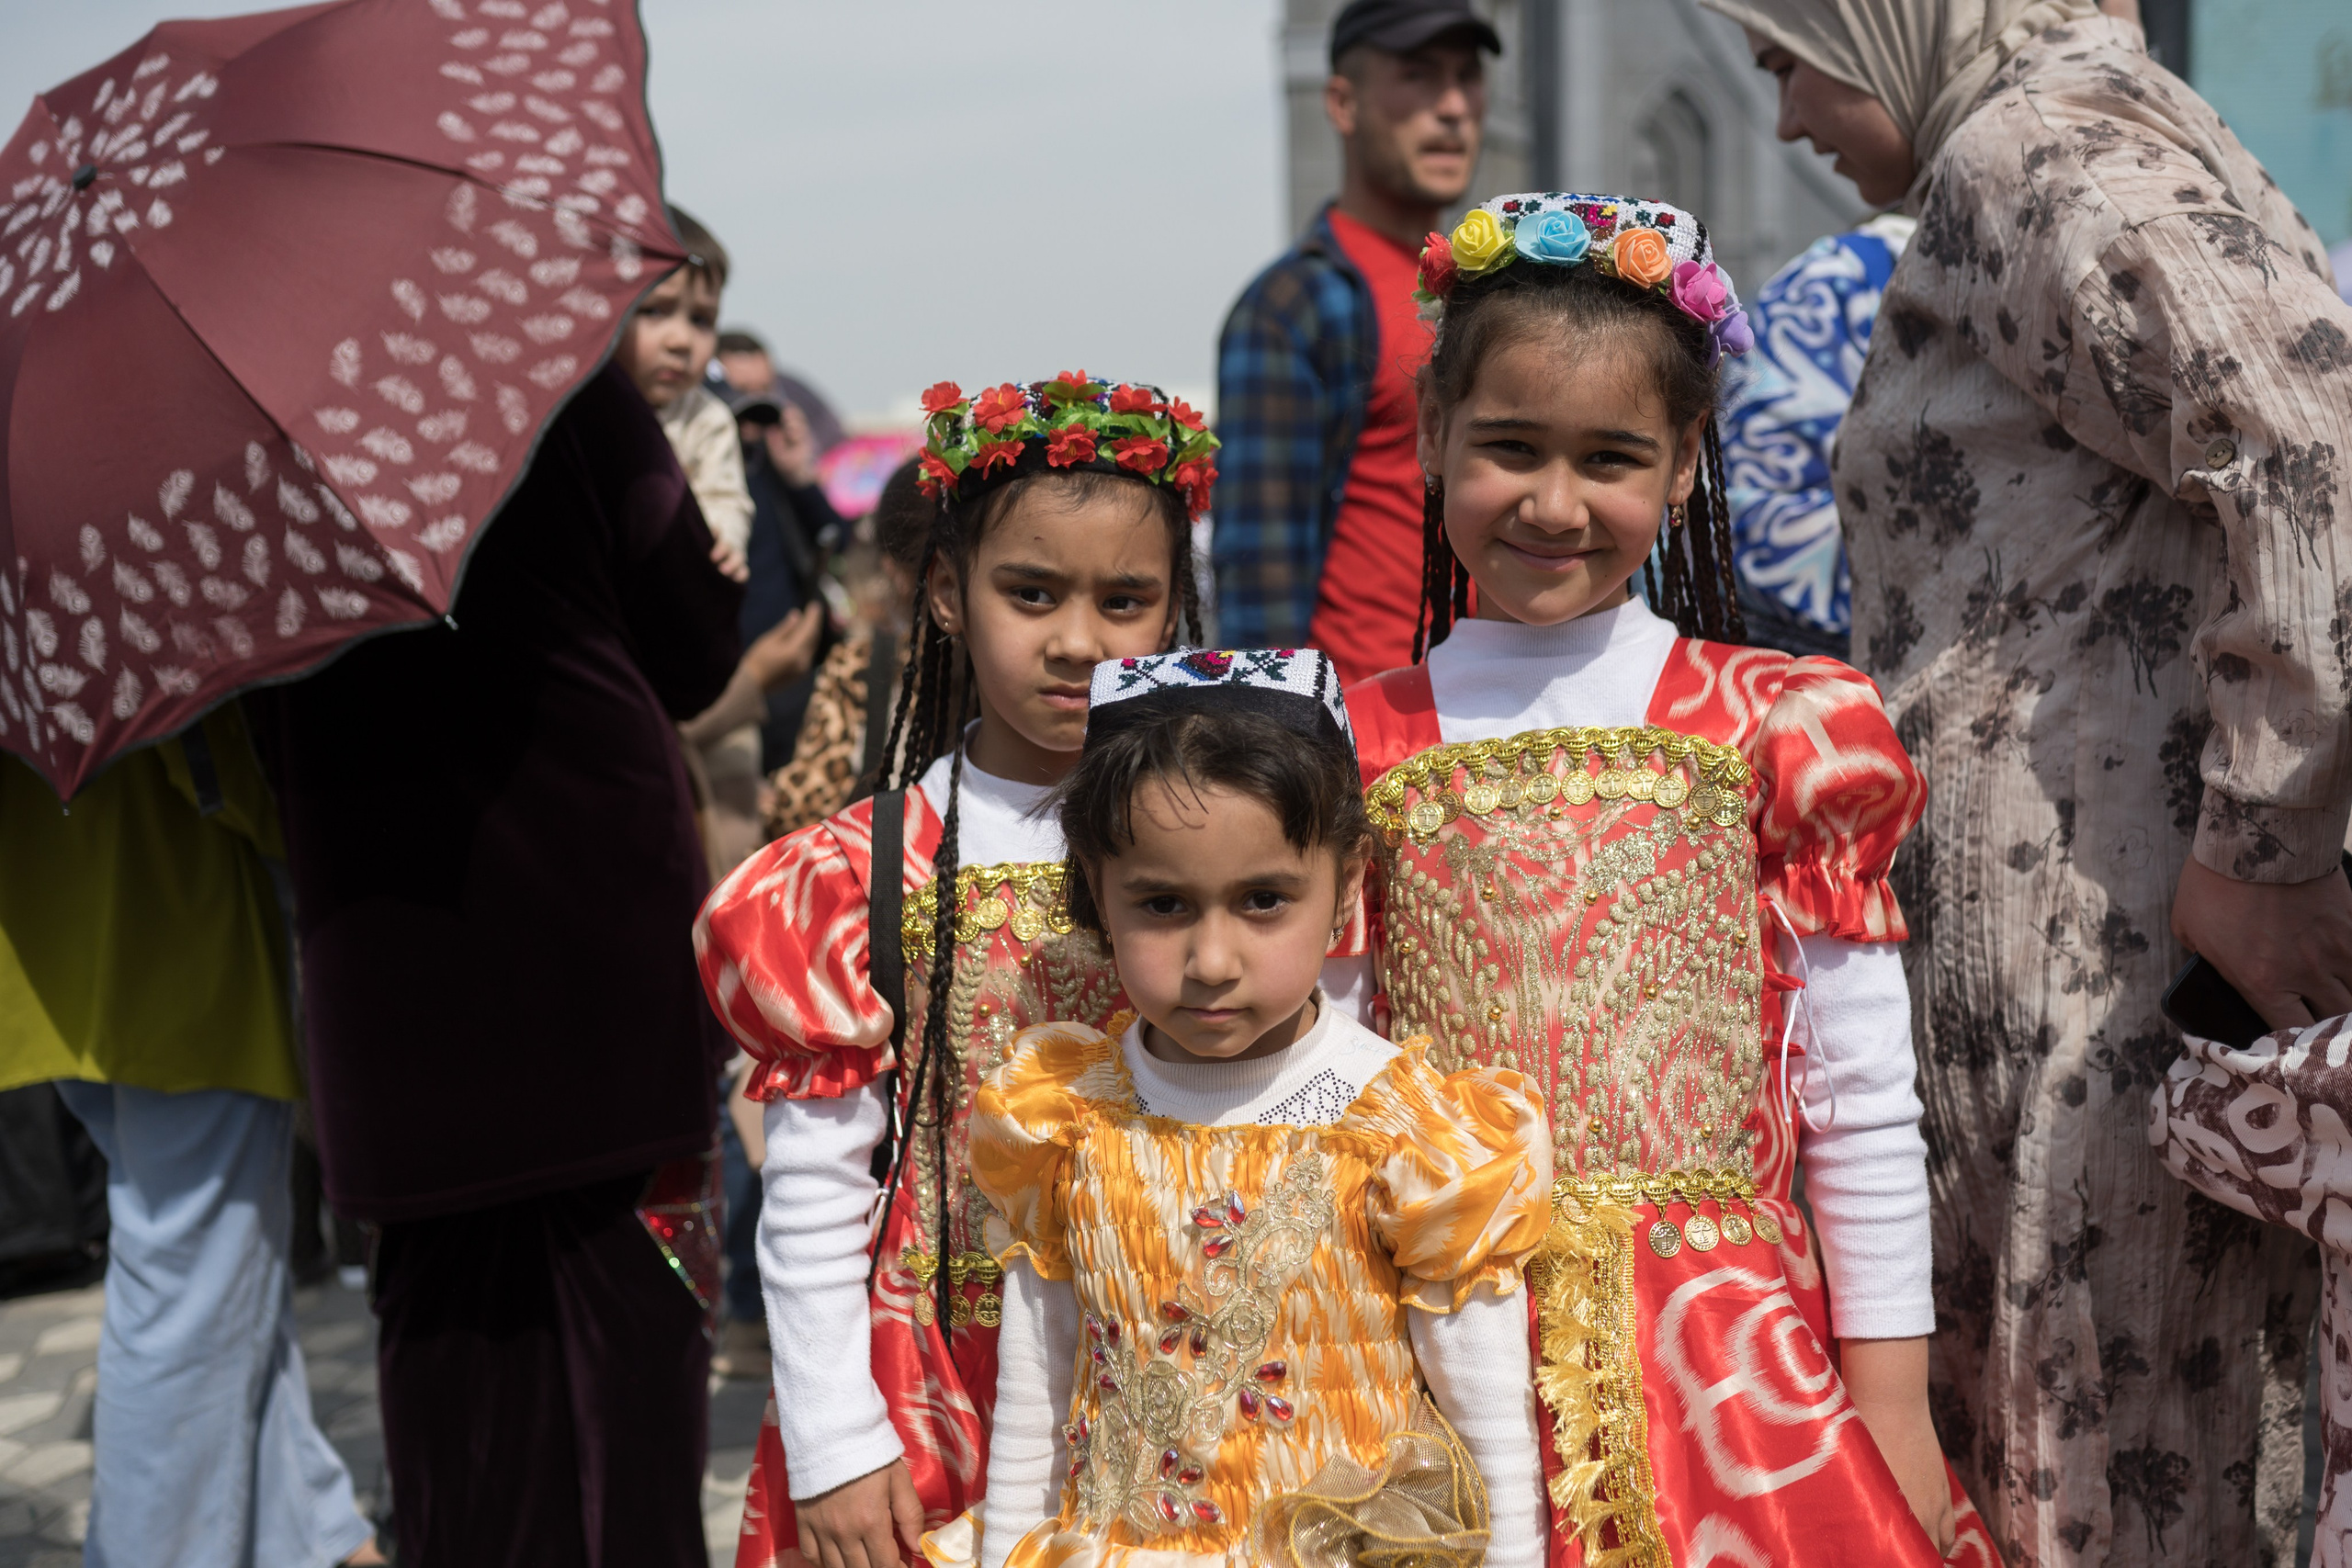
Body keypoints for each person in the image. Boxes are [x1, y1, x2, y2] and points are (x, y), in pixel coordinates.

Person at [1700, 0, 2352, 1555]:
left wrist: (2263, 844)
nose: (1788, 118)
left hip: (2103, 979)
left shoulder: (2038, 143)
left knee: (2116, 1472)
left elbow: (2307, 454)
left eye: (1792, 58)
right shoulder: (2052, 136)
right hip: (2067, 958)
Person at [1346, 191, 1991, 1562]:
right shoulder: (1350, 745)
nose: (1555, 503)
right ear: (1434, 437)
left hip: (1736, 1376)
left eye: (1611, 458)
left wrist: (1891, 1396)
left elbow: (1862, 1096)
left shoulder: (1780, 726)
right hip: (1430, 1357)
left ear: (1687, 463)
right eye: (1509, 448)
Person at [694, 374, 1232, 1568]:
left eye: (1125, 597)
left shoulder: (1222, 848)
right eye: (1030, 591)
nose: (1079, 637)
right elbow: (819, 1185)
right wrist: (837, 1436)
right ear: (947, 591)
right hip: (924, 1388)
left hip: (1172, 1370)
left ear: (1174, 608)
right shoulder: (858, 871)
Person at [252, 364, 740, 1567]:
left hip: (390, 961)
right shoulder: (548, 371)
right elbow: (695, 649)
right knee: (637, 1369)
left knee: (456, 1405)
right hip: (602, 936)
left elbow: (255, 721)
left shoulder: (243, 442)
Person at [958, 647, 1551, 1568]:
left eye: (1263, 901)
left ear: (1347, 880)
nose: (1212, 962)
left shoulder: (1410, 1130)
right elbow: (1034, 1391)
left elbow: (1488, 1417)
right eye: (1162, 905)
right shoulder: (1062, 1122)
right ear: (1096, 887)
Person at [0, 708, 383, 1568]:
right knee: (193, 1270)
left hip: (49, 893)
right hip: (167, 893)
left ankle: (317, 1536)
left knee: (223, 1265)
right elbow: (195, 737)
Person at [1214, 0, 1498, 682]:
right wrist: (1275, 751)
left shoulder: (1485, 291)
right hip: (1356, 739)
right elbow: (1260, 575)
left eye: (1467, 76)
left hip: (1494, 721)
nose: (1454, 106)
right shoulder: (1295, 305)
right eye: (1419, 76)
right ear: (1343, 103)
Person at [1716, 212, 1916, 660]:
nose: (1790, 136)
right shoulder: (1846, 278)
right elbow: (1755, 506)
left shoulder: (1850, 275)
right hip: (1819, 635)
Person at [619, 206, 752, 583]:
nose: (680, 341)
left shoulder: (706, 420)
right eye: (655, 311)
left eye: (701, 320)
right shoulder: (582, 412)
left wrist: (724, 537)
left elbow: (726, 497)